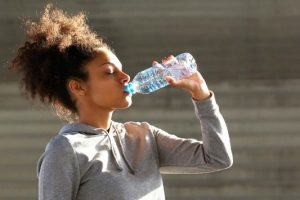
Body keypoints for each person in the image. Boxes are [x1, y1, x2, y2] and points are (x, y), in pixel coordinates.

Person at [10, 4, 233, 200]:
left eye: (122, 69)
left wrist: (202, 97)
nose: (125, 77)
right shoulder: (65, 150)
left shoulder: (144, 136)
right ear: (78, 87)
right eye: (109, 72)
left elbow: (217, 158)